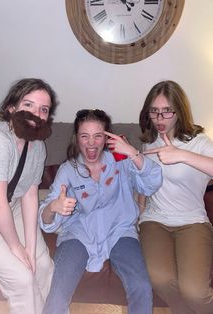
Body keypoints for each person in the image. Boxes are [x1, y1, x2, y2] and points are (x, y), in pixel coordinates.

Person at [39, 109, 162, 314]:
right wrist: (52, 208)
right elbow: (46, 218)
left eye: (98, 136)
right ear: (76, 139)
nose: (91, 143)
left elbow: (151, 183)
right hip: (78, 235)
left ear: (106, 138)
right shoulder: (68, 170)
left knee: (141, 286)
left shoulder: (120, 161)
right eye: (84, 136)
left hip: (120, 232)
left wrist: (132, 152)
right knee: (58, 292)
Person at [0, 78, 58, 314]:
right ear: (11, 108)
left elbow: (30, 196)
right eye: (28, 105)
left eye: (43, 109)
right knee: (22, 278)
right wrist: (16, 248)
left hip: (9, 207)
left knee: (42, 265)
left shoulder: (37, 146)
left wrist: (31, 249)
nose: (36, 114)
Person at [138, 80, 213, 314]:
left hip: (192, 222)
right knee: (160, 280)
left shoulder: (199, 142)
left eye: (167, 111)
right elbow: (144, 182)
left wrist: (181, 155)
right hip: (154, 221)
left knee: (194, 291)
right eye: (154, 111)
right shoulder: (149, 143)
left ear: (179, 111)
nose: (160, 118)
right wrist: (139, 210)